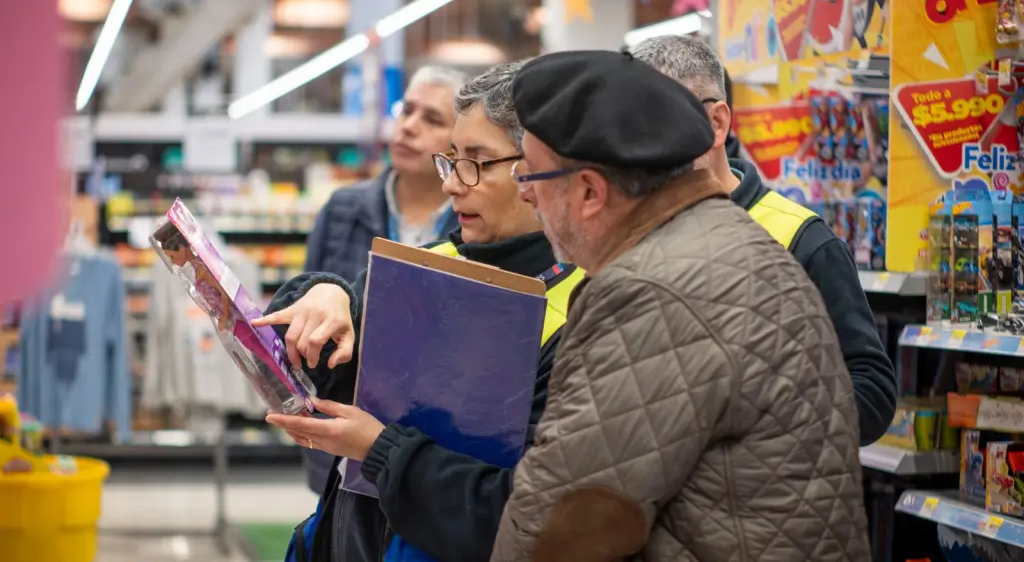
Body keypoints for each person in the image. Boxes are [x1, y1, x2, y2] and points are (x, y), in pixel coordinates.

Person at [490, 49, 871, 561]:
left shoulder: (650, 294)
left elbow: (565, 520)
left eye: (530, 177)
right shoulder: (728, 238)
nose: (525, 197)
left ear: (589, 192)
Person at [253, 60, 587, 562]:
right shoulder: (425, 265)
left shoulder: (582, 309)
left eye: (477, 162)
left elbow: (522, 510)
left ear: (540, 168)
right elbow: (323, 371)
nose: (453, 183)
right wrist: (322, 293)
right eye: (452, 160)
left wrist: (382, 450)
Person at [630, 35, 896, 446]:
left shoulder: (800, 239)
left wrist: (755, 421)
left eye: (658, 125)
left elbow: (871, 391)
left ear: (716, 123)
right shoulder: (624, 238)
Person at [298, 65, 467, 493]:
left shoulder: (472, 224)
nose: (409, 127)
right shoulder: (343, 210)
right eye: (406, 110)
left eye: (432, 119)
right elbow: (302, 301)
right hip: (338, 437)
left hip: (434, 450)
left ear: (460, 143)